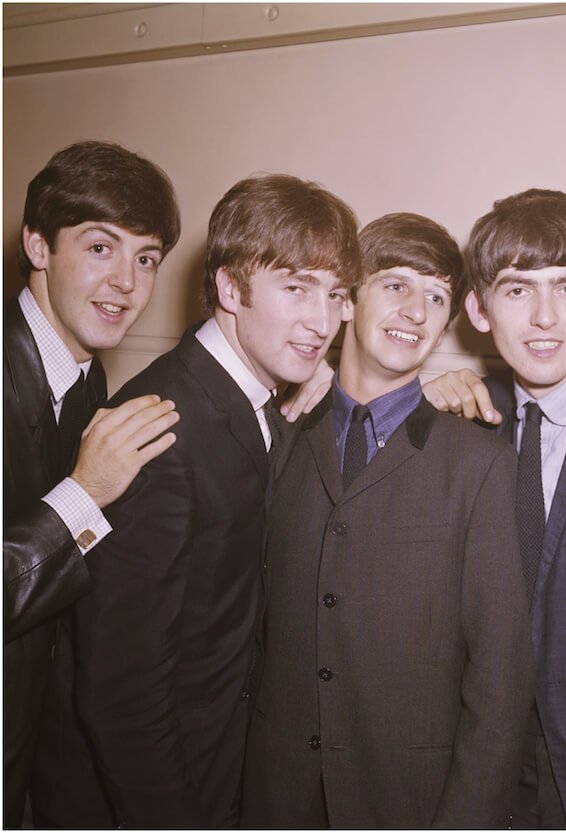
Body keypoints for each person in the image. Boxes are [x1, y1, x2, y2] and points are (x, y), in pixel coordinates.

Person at [32, 173, 361, 827]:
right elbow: (121, 696)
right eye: (295, 287)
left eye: (335, 293)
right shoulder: (159, 429)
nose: (322, 321)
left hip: (220, 768)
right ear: (230, 288)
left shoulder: (255, 397)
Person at [240, 213, 533, 827]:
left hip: (412, 801)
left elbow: (500, 677)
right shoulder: (282, 437)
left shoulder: (479, 463)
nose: (416, 312)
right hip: (278, 795)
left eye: (436, 297)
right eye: (396, 285)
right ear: (346, 302)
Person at [3, 141, 182, 827]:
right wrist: (84, 491)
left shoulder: (89, 379)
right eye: (100, 247)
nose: (127, 284)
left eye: (145, 259)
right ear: (39, 246)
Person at [458, 188, 566, 829]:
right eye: (519, 290)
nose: (545, 318)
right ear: (479, 307)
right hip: (490, 784)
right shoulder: (464, 425)